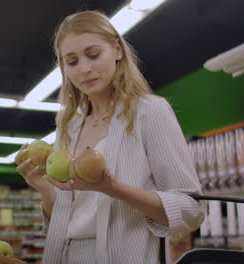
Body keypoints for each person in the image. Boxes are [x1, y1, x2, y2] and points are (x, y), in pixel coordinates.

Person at [15, 10, 204, 264]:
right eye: (72, 62)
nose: (85, 68)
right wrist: (44, 188)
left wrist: (112, 188)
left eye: (93, 55)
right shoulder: (68, 126)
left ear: (117, 50)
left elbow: (190, 210)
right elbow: (64, 221)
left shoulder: (149, 112)